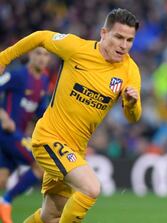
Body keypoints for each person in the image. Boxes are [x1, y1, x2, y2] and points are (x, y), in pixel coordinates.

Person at [0, 8, 142, 223]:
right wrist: (3, 59)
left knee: (51, 216)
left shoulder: (130, 71)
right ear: (104, 33)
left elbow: (133, 117)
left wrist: (132, 104)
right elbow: (41, 37)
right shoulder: (76, 48)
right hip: (49, 138)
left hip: (75, 150)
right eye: (118, 37)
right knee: (91, 188)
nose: (124, 45)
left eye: (130, 40)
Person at [0, 47, 50, 223]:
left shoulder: (44, 80)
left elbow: (39, 110)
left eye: (45, 55)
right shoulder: (17, 76)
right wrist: (3, 116)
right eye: (38, 53)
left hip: (17, 135)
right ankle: (6, 201)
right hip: (7, 133)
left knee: (2, 179)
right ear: (30, 54)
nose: (42, 58)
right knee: (41, 165)